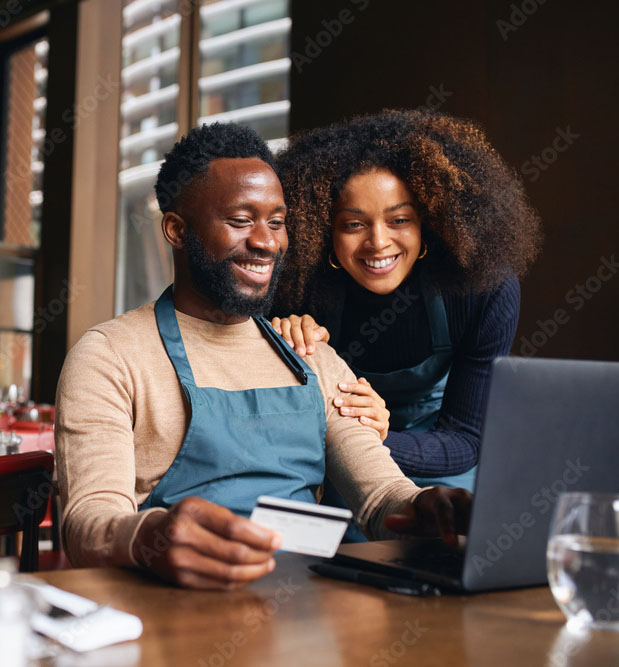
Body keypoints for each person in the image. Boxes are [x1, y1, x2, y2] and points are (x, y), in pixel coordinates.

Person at [55, 122, 471, 590]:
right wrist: (150, 536)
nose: (267, 242)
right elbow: (87, 523)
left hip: (306, 622)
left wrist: (427, 508)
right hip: (169, 619)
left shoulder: (310, 356)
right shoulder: (111, 356)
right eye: (240, 221)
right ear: (176, 230)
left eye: (276, 222)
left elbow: (381, 498)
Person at [272, 110, 541, 503]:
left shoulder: (482, 288)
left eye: (399, 219)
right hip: (338, 455)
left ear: (428, 221)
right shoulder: (297, 288)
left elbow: (465, 440)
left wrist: (379, 437)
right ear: (322, 229)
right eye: (353, 224)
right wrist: (282, 343)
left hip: (442, 456)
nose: (378, 242)